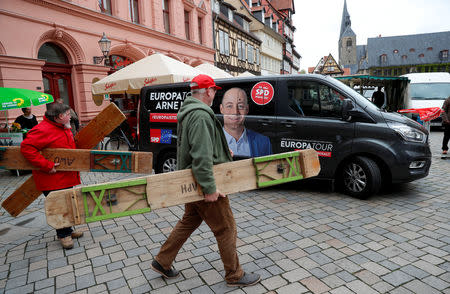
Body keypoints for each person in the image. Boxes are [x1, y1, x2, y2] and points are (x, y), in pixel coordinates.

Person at [150, 74, 260, 287]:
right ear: (207, 91)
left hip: (191, 181)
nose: (215, 94)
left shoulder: (189, 112)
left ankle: (162, 261)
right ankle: (234, 275)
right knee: (226, 227)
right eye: (214, 91)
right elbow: (200, 157)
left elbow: (195, 147)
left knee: (189, 220)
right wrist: (210, 188)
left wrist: (220, 148)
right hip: (204, 182)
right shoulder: (200, 115)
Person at [20, 103, 83, 249]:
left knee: (68, 203)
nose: (70, 116)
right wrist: (46, 165)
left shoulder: (62, 126)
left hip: (65, 176)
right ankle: (63, 235)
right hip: (52, 178)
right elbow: (27, 148)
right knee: (59, 206)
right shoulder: (42, 129)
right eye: (68, 114)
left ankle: (68, 230)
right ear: (59, 117)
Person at [220, 87, 272, 157]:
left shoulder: (263, 142)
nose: (235, 112)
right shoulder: (210, 142)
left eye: (240, 106)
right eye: (229, 106)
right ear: (221, 109)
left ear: (247, 109)